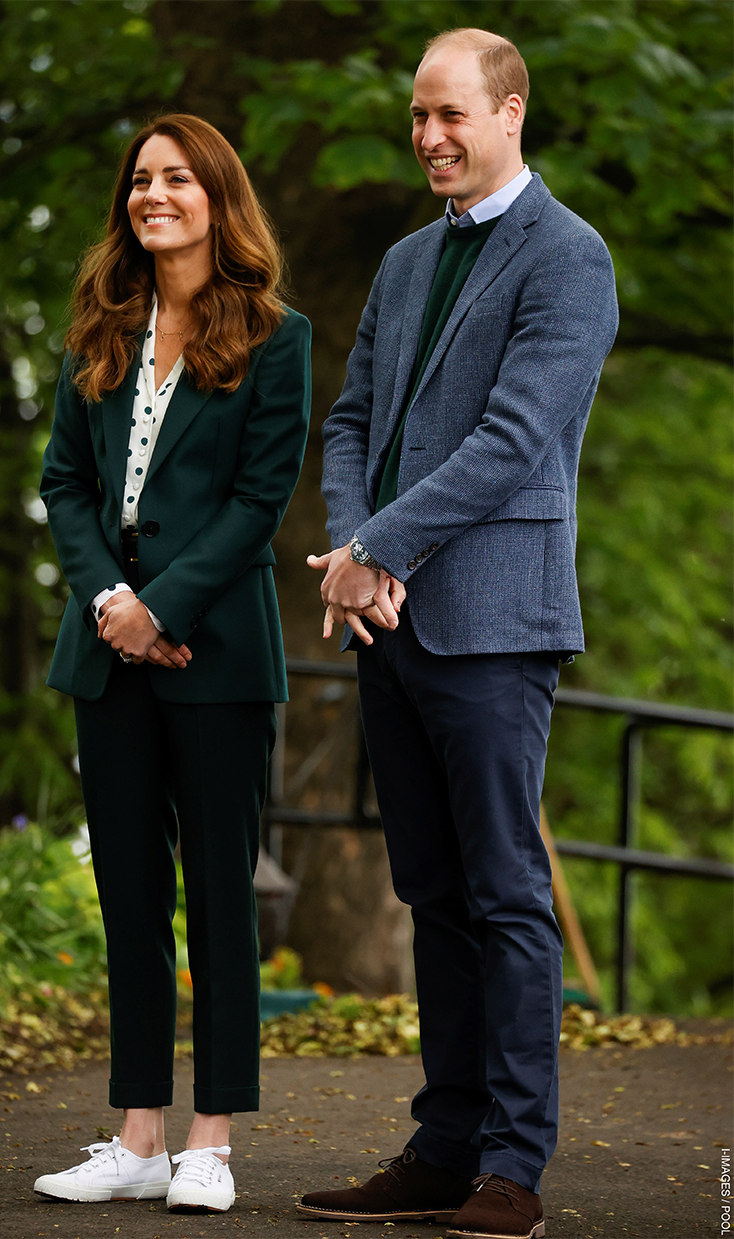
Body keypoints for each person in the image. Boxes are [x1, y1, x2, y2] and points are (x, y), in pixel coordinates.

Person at [303, 27, 617, 1239]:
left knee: (503, 893)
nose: (429, 137)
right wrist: (351, 550)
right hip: (385, 620)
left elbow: (512, 440)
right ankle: (441, 1149)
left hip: (493, 622)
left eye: (450, 115)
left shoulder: (569, 257)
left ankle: (511, 1169)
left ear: (510, 112)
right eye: (417, 118)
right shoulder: (399, 263)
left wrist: (380, 549)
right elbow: (353, 424)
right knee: (429, 890)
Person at [35, 114, 311, 1212]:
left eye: (178, 179)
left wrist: (163, 607)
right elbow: (64, 484)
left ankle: (212, 1140)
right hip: (107, 654)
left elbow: (259, 502)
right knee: (130, 894)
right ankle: (138, 1135)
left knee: (220, 902)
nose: (155, 195)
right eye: (141, 180)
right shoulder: (97, 332)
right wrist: (113, 601)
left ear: (217, 197)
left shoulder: (275, 336)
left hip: (218, 657)